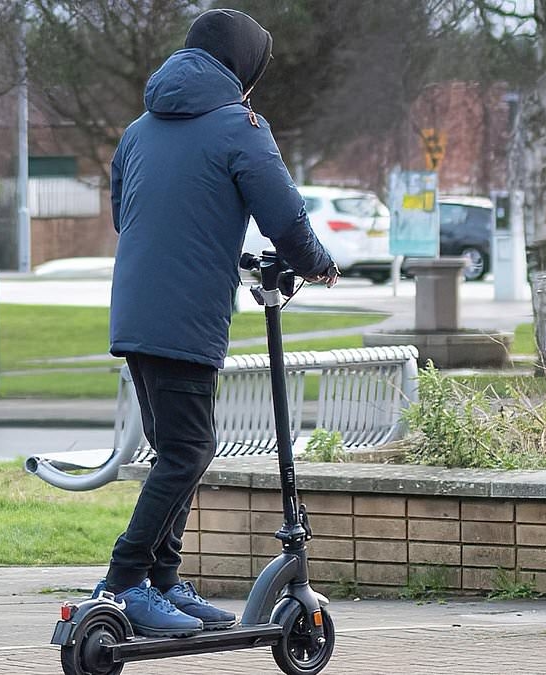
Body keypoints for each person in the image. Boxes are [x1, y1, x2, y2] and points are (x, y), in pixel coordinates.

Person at [100, 8, 338, 638]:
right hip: (185, 317)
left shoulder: (138, 129)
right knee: (190, 448)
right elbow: (283, 218)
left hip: (135, 310)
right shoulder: (241, 127)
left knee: (175, 448)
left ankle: (165, 581)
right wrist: (315, 263)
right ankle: (125, 581)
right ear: (242, 70)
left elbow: (127, 213)